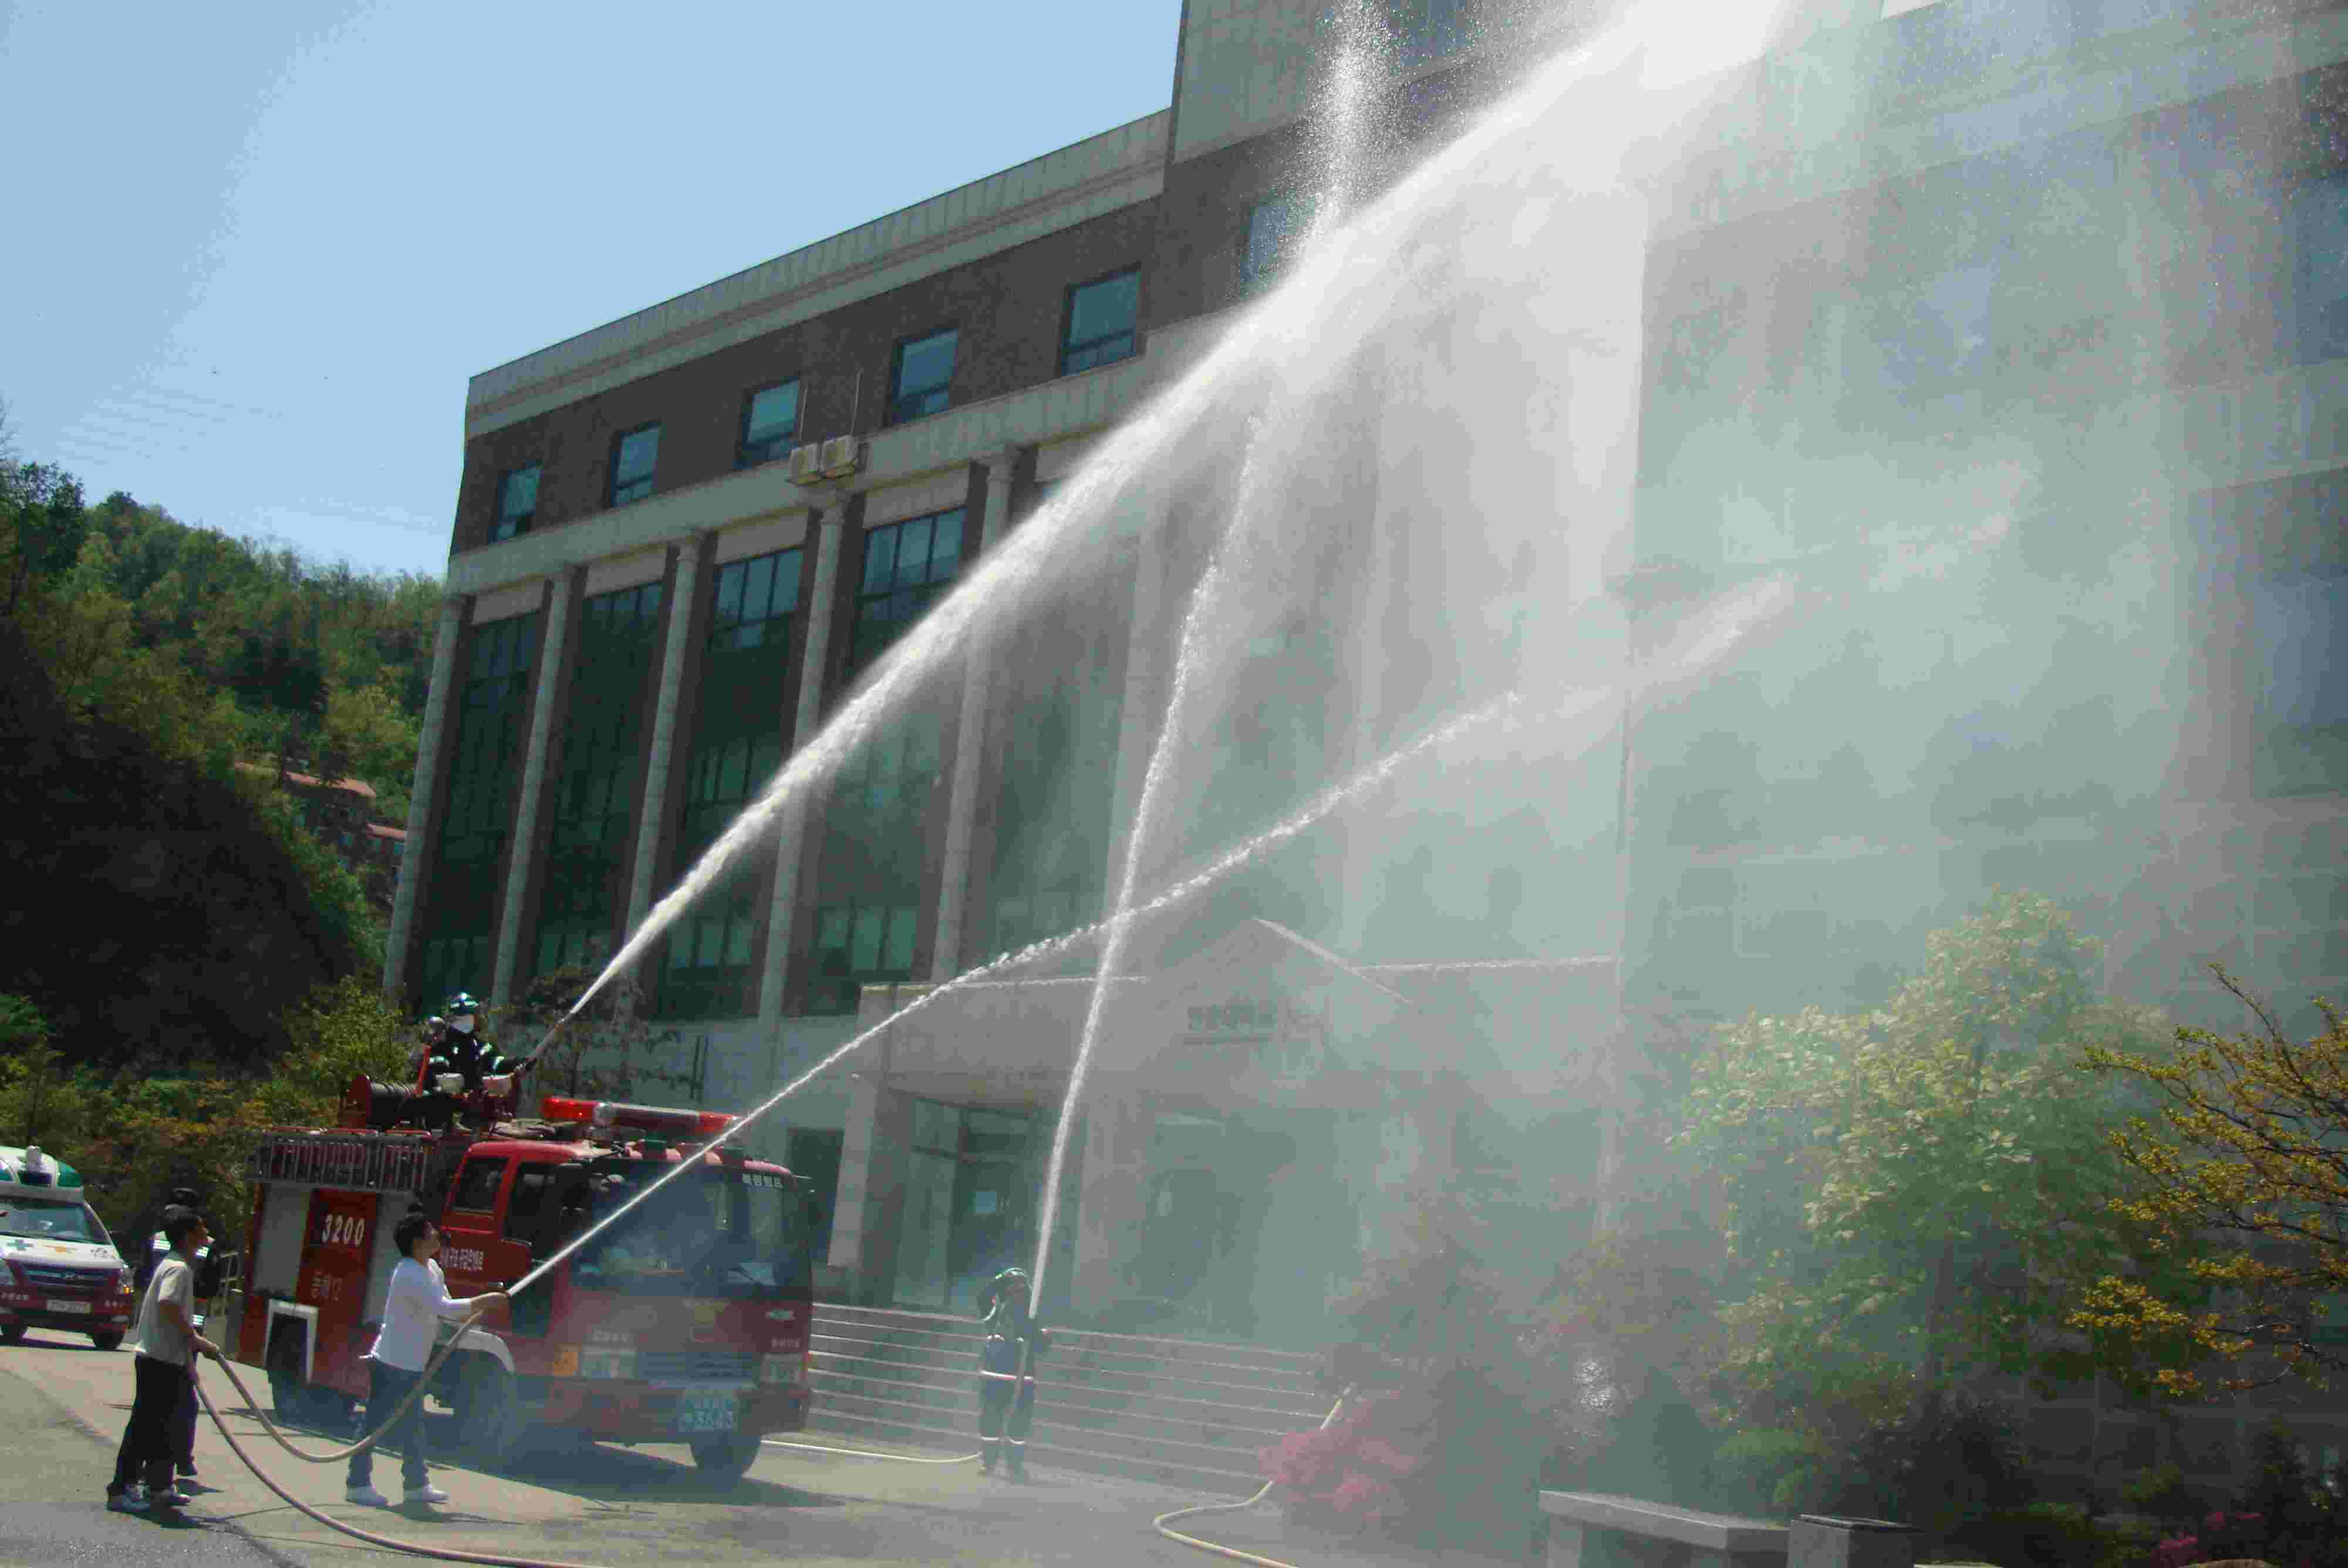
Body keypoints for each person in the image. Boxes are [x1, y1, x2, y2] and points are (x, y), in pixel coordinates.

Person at [345, 1212, 510, 1508]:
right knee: (375, 1425)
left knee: (413, 1425)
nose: (437, 1234)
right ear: (417, 1241)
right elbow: (443, 1307)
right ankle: (357, 1484)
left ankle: (416, 1485)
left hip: (412, 1364)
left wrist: (474, 1313)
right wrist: (485, 1300)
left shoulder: (431, 1268)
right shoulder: (408, 1273)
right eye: (431, 1231)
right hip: (392, 1363)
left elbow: (445, 1307)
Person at [107, 1209, 219, 1513]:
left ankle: (159, 1486)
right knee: (145, 1427)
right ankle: (121, 1489)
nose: (206, 1233)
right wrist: (194, 1338)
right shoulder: (178, 1269)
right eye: (201, 1228)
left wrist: (188, 1357)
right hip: (159, 1361)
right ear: (188, 1235)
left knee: (170, 1425)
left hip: (168, 1359)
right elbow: (168, 1303)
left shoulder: (177, 1264)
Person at [973, 1266, 1050, 1479]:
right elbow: (983, 1296)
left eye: (1021, 1285)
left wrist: (1036, 1335)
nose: (1017, 1290)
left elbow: (1042, 1346)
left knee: (1019, 1424)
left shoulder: (1034, 1314)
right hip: (995, 1374)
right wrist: (1001, 1278)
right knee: (990, 1420)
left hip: (1022, 1377)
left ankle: (1014, 1467)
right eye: (1012, 1285)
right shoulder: (995, 1313)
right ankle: (989, 1464)